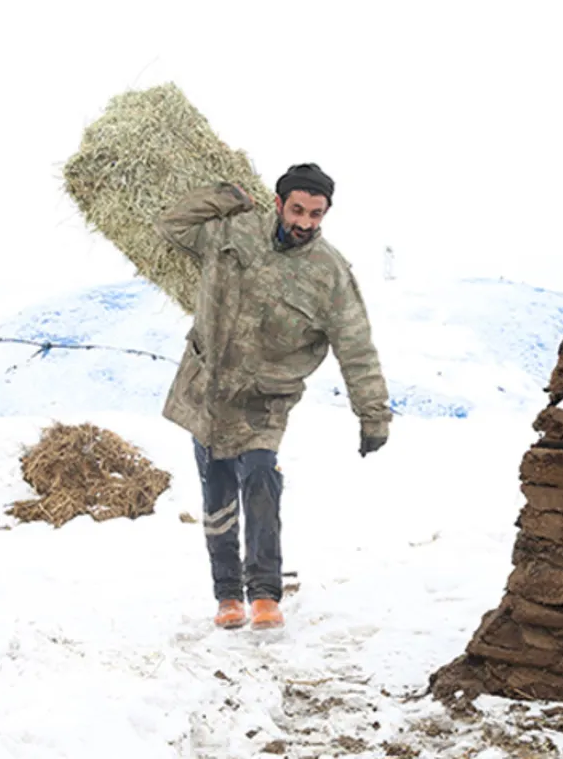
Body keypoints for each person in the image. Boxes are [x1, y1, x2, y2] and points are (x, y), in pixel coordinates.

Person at [155, 163, 392, 631]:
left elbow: (357, 347)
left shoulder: (330, 274)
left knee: (261, 478)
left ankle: (264, 593)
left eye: (316, 214)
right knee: (216, 490)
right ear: (279, 203)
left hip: (264, 400)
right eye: (297, 209)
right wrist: (227, 194)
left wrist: (373, 415)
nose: (305, 222)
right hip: (207, 387)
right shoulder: (232, 232)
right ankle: (227, 595)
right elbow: (171, 225)